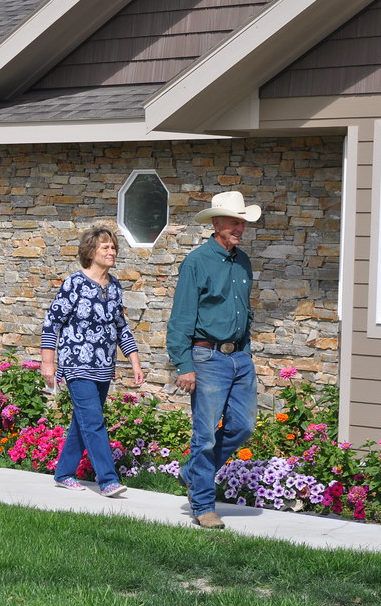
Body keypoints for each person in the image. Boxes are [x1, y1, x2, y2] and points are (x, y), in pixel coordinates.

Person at [166, 191, 261, 529]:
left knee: (243, 427)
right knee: (204, 435)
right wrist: (185, 365)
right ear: (216, 223)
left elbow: (244, 311)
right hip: (206, 357)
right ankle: (203, 506)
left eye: (242, 222)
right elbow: (180, 318)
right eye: (234, 222)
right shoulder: (196, 262)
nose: (239, 228)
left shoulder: (243, 261)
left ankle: (192, 472)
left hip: (239, 358)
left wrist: (246, 351)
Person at [41, 225, 145, 497]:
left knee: (84, 421)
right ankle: (108, 480)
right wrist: (48, 363)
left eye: (113, 247)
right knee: (94, 421)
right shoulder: (74, 283)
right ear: (90, 251)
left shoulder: (115, 286)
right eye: (105, 247)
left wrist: (134, 362)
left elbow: (121, 327)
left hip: (103, 367)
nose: (111, 252)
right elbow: (52, 323)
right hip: (76, 364)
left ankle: (63, 473)